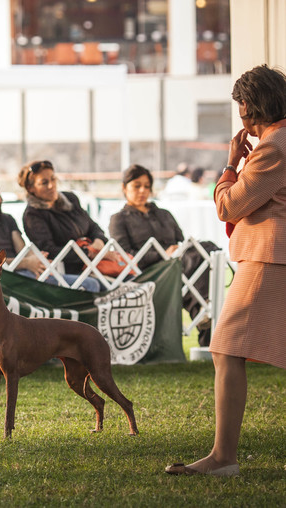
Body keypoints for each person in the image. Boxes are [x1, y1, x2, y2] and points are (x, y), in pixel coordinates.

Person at [165, 64, 286, 477]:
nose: (241, 117)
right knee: (228, 348)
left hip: (269, 257)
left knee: (226, 347)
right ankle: (222, 457)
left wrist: (231, 164)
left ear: (251, 106)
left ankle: (222, 458)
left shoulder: (274, 147)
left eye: (241, 108)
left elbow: (228, 206)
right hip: (271, 256)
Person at [109, 164, 219, 346]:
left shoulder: (164, 214)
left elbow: (180, 240)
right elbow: (125, 255)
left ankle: (205, 316)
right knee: (194, 263)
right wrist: (162, 255)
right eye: (137, 186)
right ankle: (203, 310)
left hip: (181, 267)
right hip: (150, 272)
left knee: (206, 249)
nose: (142, 191)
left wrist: (176, 251)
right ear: (124, 187)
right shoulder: (119, 219)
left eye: (147, 186)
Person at [0, 172, 100, 292]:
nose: (1, 197)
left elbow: (22, 250)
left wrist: (37, 260)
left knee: (91, 284)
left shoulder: (7, 220)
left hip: (26, 276)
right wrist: (25, 263)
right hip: (3, 284)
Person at [20, 160, 120, 286]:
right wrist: (90, 253)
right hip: (70, 271)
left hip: (98, 263)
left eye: (53, 179)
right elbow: (49, 250)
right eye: (44, 183)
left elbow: (93, 226)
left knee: (129, 279)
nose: (51, 185)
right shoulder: (33, 216)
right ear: (31, 188)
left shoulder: (70, 199)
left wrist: (99, 241)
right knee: (104, 285)